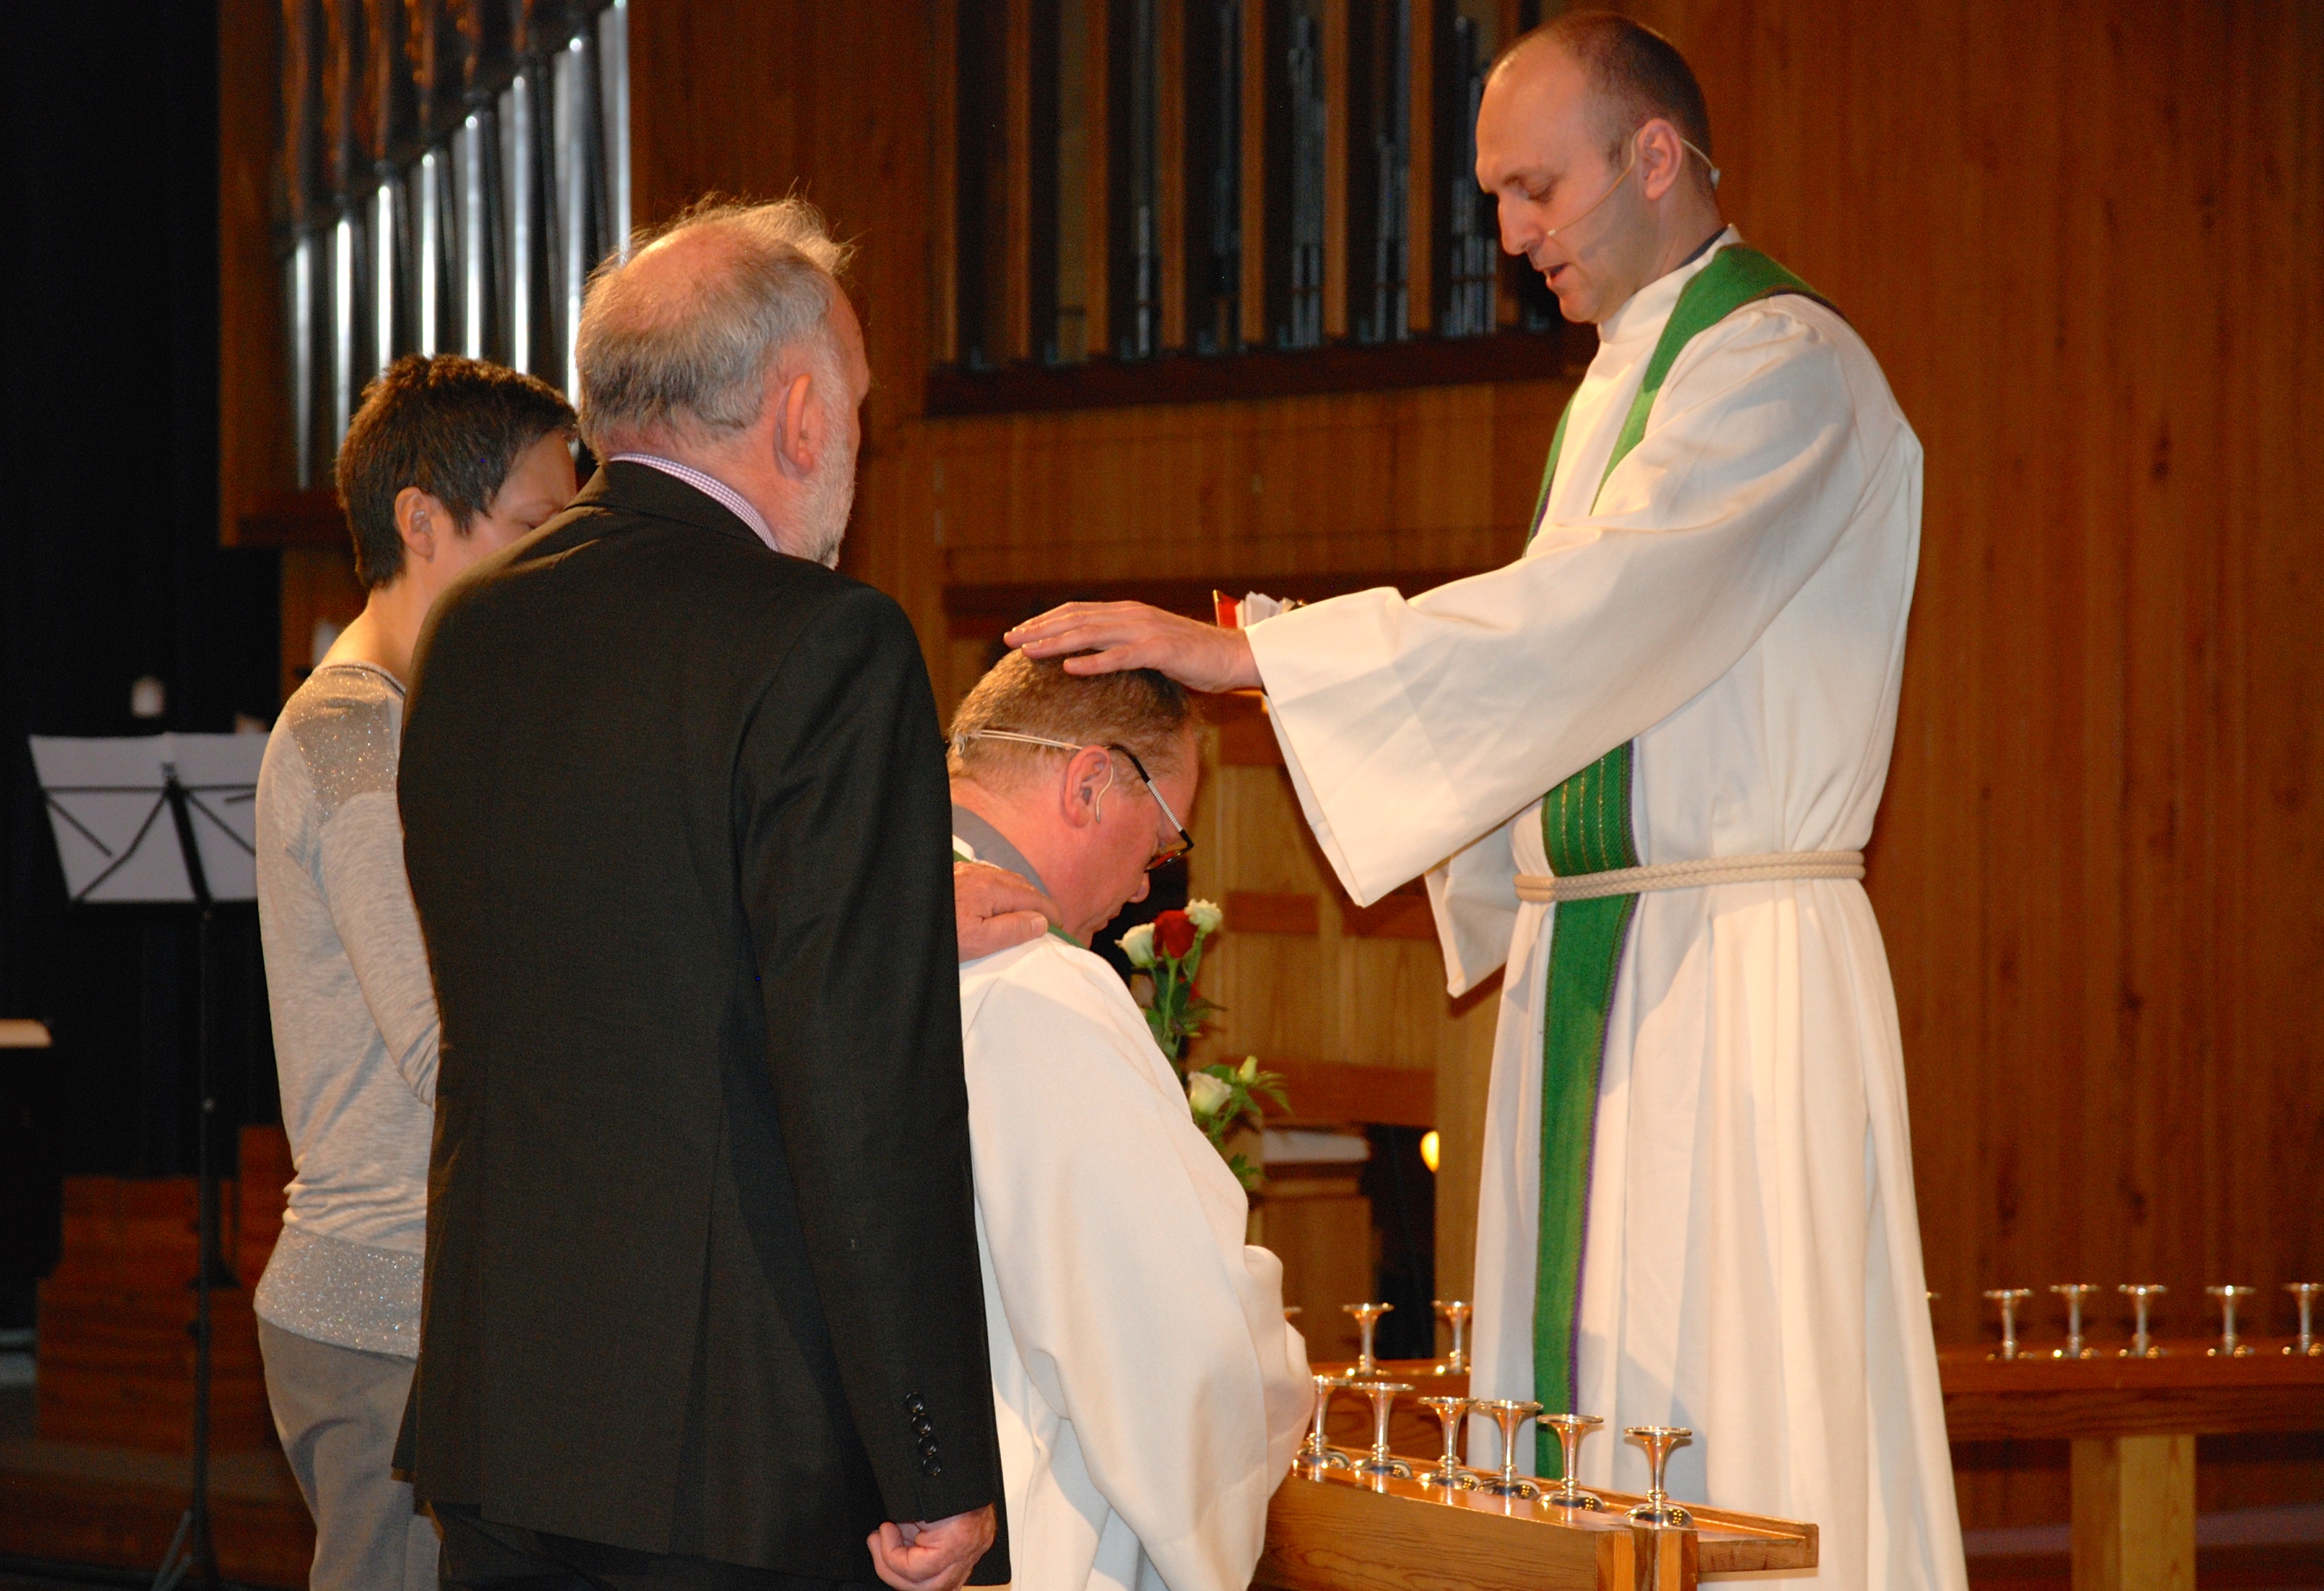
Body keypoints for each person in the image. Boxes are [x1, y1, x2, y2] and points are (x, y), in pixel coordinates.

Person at [1006, 14, 1964, 1591]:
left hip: (1731, 978)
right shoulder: (1618, 384)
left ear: (1653, 153)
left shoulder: (1780, 365)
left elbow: (1582, 621)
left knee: (1738, 1389)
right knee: (1585, 1403)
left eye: (1532, 188)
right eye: (1491, 198)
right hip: (1603, 962)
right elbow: (1554, 673)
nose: (1509, 234)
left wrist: (1253, 654)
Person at [395, 199, 1007, 1591]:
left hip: (504, 1410)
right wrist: (933, 1455)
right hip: (736, 1454)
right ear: (799, 413)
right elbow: (862, 1088)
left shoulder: (471, 629)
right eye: (857, 407)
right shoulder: (823, 644)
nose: (855, 441)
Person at [253, 353, 578, 1591]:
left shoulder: (440, 715)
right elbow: (443, 1042)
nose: (559, 562)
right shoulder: (351, 737)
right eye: (538, 527)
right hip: (381, 1304)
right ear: (422, 520)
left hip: (440, 1296)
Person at [945, 652, 1310, 1591]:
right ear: (1092, 783)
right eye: (1162, 845)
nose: (1150, 889)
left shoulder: (824, 916)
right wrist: (1281, 1396)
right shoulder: (1038, 983)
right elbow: (1178, 1341)